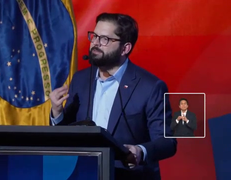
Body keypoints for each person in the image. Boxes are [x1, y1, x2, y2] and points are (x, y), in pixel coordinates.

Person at [49, 12, 177, 180]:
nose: (95, 43)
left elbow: (168, 142)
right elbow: (67, 134)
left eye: (105, 39)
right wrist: (57, 113)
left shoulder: (151, 87)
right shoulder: (80, 80)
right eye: (94, 36)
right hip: (84, 173)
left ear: (125, 48)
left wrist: (140, 151)